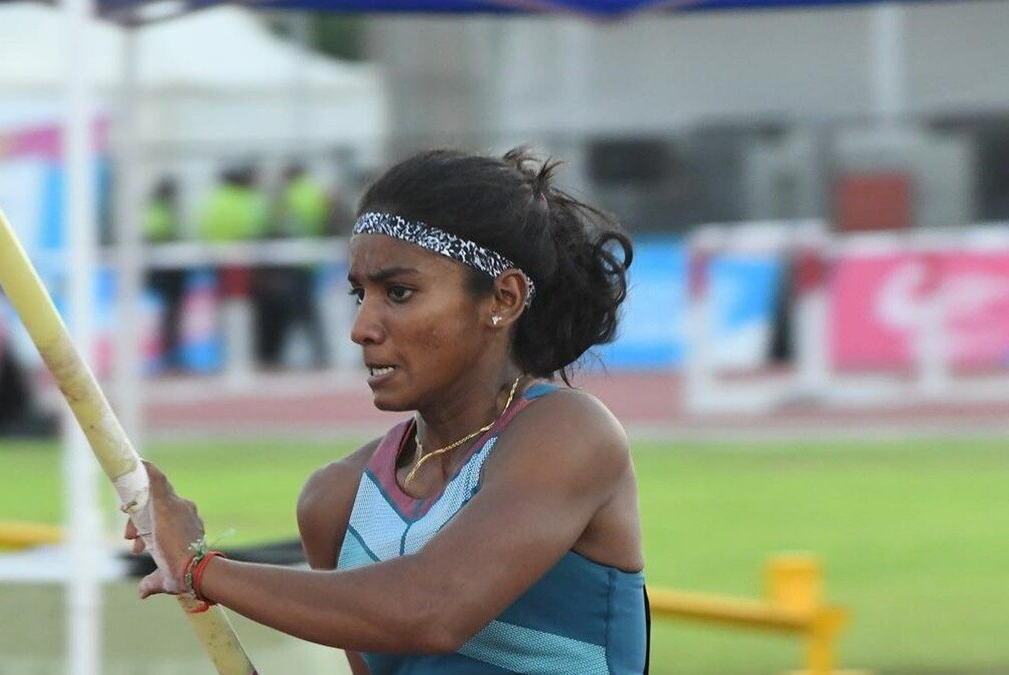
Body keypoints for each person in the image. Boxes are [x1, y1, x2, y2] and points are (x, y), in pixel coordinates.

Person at [127, 148, 647, 674]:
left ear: (504, 298)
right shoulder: (336, 500)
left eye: (399, 292)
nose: (361, 327)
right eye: (359, 294)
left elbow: (431, 610)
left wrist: (198, 568)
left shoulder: (567, 434)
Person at [251, 163, 332, 369]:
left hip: (289, 262)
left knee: (285, 310)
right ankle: (320, 355)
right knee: (308, 312)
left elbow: (275, 226)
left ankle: (274, 357)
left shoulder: (287, 196)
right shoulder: (316, 193)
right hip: (310, 260)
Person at [143, 176, 186, 371]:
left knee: (171, 314)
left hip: (169, 271)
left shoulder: (163, 211)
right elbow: (154, 237)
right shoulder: (159, 211)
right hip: (165, 271)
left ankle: (171, 354)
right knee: (168, 314)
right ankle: (168, 355)